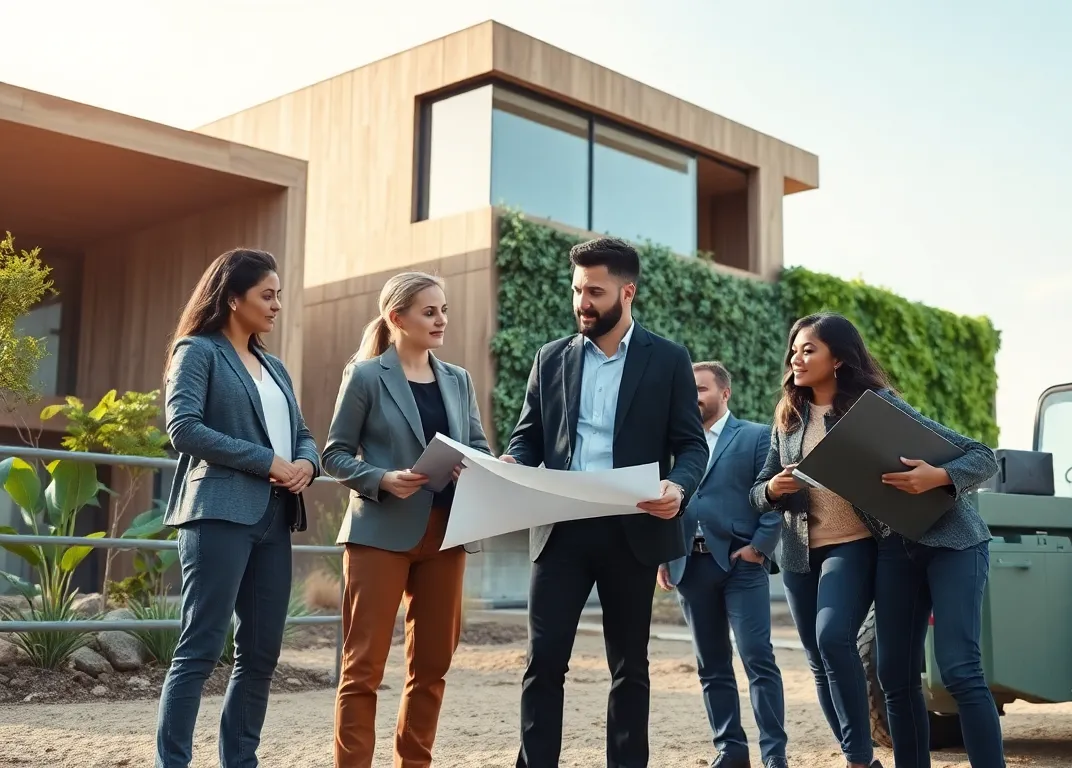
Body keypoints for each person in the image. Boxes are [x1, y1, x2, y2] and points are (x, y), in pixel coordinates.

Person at [752, 312, 1002, 768]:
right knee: (893, 677)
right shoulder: (789, 419)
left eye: (809, 349)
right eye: (794, 350)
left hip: (951, 542)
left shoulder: (877, 405)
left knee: (960, 669)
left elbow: (983, 456)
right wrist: (772, 489)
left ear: (838, 359)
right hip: (893, 550)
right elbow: (762, 487)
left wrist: (938, 476)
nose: (796, 358)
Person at [501, 237, 710, 768]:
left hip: (632, 531)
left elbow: (691, 445)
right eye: (577, 290)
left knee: (629, 667)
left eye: (595, 291)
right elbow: (528, 436)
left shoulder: (668, 359)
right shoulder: (550, 357)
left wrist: (677, 487)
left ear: (627, 292)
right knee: (543, 663)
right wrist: (512, 460)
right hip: (560, 530)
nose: (582, 303)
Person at [321, 271, 493, 767]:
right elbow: (334, 454)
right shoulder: (365, 376)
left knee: (433, 666)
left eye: (444, 310)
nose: (441, 320)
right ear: (397, 317)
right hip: (379, 534)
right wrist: (382, 478)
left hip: (448, 534)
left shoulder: (458, 379)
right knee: (363, 667)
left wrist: (480, 465)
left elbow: (477, 447)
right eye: (429, 311)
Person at [157, 247, 320, 768]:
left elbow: (302, 433)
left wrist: (306, 463)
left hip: (275, 517)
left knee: (262, 652)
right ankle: (172, 762)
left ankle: (240, 761)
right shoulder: (197, 351)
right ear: (232, 298)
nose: (277, 305)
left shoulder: (276, 367)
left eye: (278, 295)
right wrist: (266, 460)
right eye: (267, 295)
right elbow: (184, 429)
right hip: (217, 513)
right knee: (200, 647)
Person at [658, 361, 789, 768]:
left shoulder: (755, 436)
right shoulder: (673, 443)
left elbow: (775, 498)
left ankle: (774, 754)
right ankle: (730, 750)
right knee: (711, 665)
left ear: (724, 393)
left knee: (757, 658)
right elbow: (659, 500)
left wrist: (759, 548)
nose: (693, 397)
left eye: (701, 389)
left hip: (741, 565)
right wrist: (663, 554)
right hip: (689, 565)